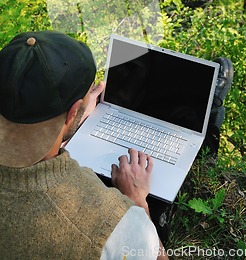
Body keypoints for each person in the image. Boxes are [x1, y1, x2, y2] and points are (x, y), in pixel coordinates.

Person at [0, 31, 169, 260]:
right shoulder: (108, 221)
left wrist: (63, 132)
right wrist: (137, 201)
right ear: (73, 111)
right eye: (89, 93)